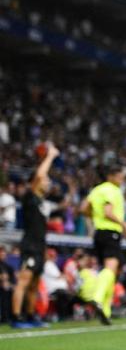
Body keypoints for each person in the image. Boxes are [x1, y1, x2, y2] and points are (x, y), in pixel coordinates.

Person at [10, 141, 58, 328]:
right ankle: (16, 317)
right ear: (35, 182)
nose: (47, 182)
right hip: (29, 245)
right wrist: (50, 156)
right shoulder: (30, 197)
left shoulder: (41, 203)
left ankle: (30, 315)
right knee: (24, 280)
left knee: (35, 283)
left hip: (39, 246)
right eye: (45, 180)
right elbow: (39, 174)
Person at [80, 162, 126, 325]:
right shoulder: (112, 190)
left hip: (98, 233)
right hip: (111, 232)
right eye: (120, 176)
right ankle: (97, 297)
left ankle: (106, 311)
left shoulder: (96, 190)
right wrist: (124, 224)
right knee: (111, 268)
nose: (122, 179)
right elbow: (108, 212)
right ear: (111, 176)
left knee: (111, 272)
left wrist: (95, 217)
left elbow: (84, 208)